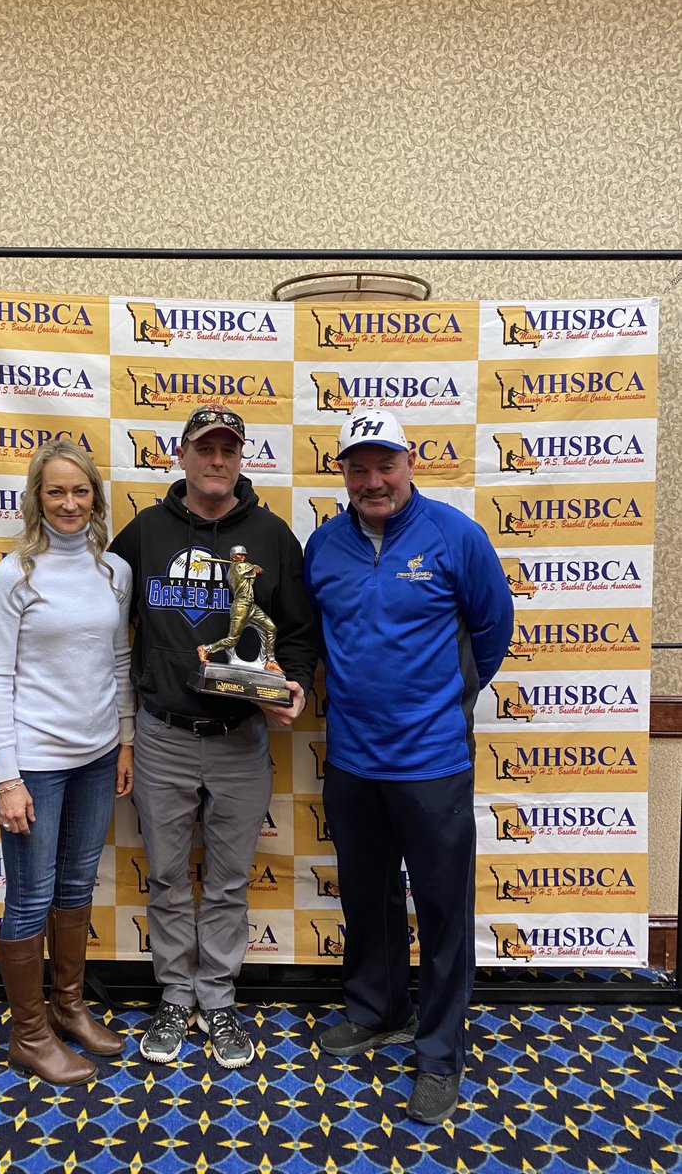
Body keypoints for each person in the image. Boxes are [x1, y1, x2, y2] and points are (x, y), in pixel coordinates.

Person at [303, 408, 513, 1125]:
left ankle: (439, 1054)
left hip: (433, 762)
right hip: (353, 760)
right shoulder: (323, 545)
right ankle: (377, 1011)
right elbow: (319, 637)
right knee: (367, 897)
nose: (373, 480)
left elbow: (492, 632)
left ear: (411, 461)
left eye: (384, 464)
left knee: (444, 909)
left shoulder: (457, 536)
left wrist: (442, 704)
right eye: (358, 467)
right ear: (342, 473)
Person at [110, 404, 316, 1069]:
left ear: (242, 457)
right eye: (206, 448)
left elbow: (301, 634)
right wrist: (119, 730)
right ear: (182, 454)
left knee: (227, 882)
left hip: (239, 739)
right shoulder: (142, 535)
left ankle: (219, 999)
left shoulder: (273, 537)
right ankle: (175, 994)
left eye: (229, 448)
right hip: (164, 733)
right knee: (168, 879)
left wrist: (298, 686)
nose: (217, 460)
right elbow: (106, 628)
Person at [0, 439, 134, 1085]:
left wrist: (124, 738)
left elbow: (119, 661)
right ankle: (29, 1034)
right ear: (36, 498)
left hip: (97, 755)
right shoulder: (12, 572)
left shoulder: (115, 572)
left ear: (95, 497)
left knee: (75, 890)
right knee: (30, 897)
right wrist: (8, 776)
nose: (69, 504)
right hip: (34, 761)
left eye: (80, 491)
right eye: (55, 491)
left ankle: (68, 1009)